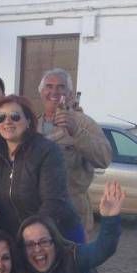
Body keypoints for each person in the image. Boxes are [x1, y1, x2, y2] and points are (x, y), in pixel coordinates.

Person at [0, 95, 84, 243]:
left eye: (15, 116)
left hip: (58, 235)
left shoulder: (47, 151)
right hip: (20, 237)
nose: (7, 121)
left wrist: (30, 237)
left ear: (28, 121)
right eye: (1, 117)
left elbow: (53, 202)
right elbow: (0, 198)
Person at [36, 69, 111, 235]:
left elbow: (104, 158)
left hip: (72, 213)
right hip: (38, 213)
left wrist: (76, 132)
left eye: (60, 87)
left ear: (69, 93)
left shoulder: (84, 123)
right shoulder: (31, 124)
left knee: (73, 259)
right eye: (49, 86)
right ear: (41, 92)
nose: (54, 92)